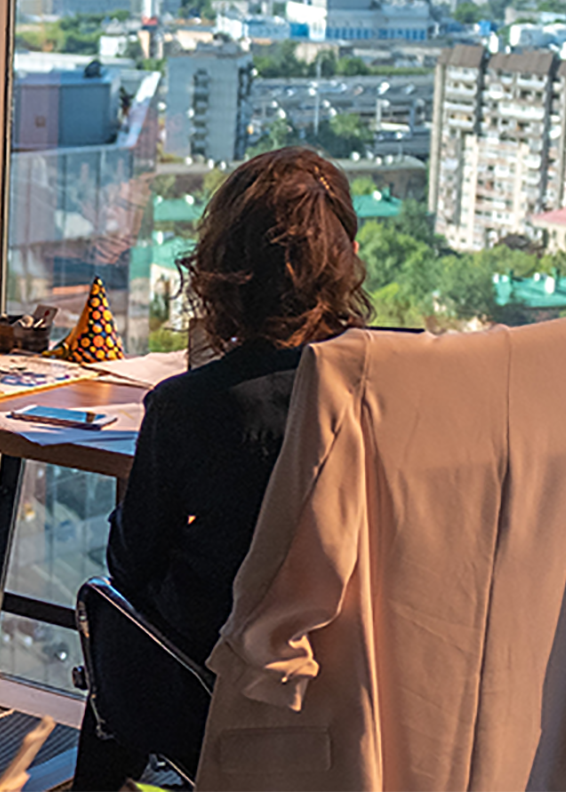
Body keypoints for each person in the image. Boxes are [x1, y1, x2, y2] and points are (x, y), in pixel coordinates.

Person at [76, 146, 371, 789]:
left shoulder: (191, 405)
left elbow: (131, 563)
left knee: (108, 607)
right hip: (369, 679)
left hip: (224, 685)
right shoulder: (398, 382)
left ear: (222, 270)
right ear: (346, 259)